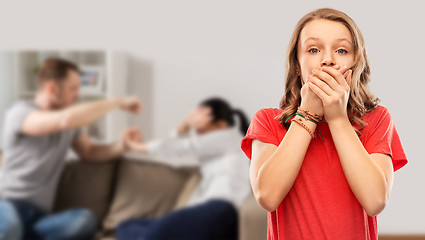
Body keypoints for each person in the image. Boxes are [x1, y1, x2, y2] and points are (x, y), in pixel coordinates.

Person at [240, 8, 408, 240]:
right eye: (313, 49)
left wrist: (337, 118)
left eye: (341, 50)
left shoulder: (377, 119)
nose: (327, 59)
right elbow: (267, 197)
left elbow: (375, 201)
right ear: (297, 66)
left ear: (355, 64)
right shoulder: (268, 122)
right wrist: (308, 113)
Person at [0, 58, 142, 240]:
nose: (78, 94)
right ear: (52, 89)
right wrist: (116, 102)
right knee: (10, 227)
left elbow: (89, 151)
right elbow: (64, 120)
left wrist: (122, 146)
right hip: (6, 204)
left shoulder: (69, 125)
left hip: (39, 216)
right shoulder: (20, 113)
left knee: (85, 220)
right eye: (73, 89)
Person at [116, 97, 251, 240]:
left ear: (221, 125)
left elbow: (185, 146)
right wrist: (182, 128)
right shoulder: (214, 153)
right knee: (126, 226)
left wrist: (137, 147)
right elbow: (180, 144)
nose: (198, 136)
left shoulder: (232, 138)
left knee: (150, 236)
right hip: (203, 213)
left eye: (202, 131)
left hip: (220, 212)